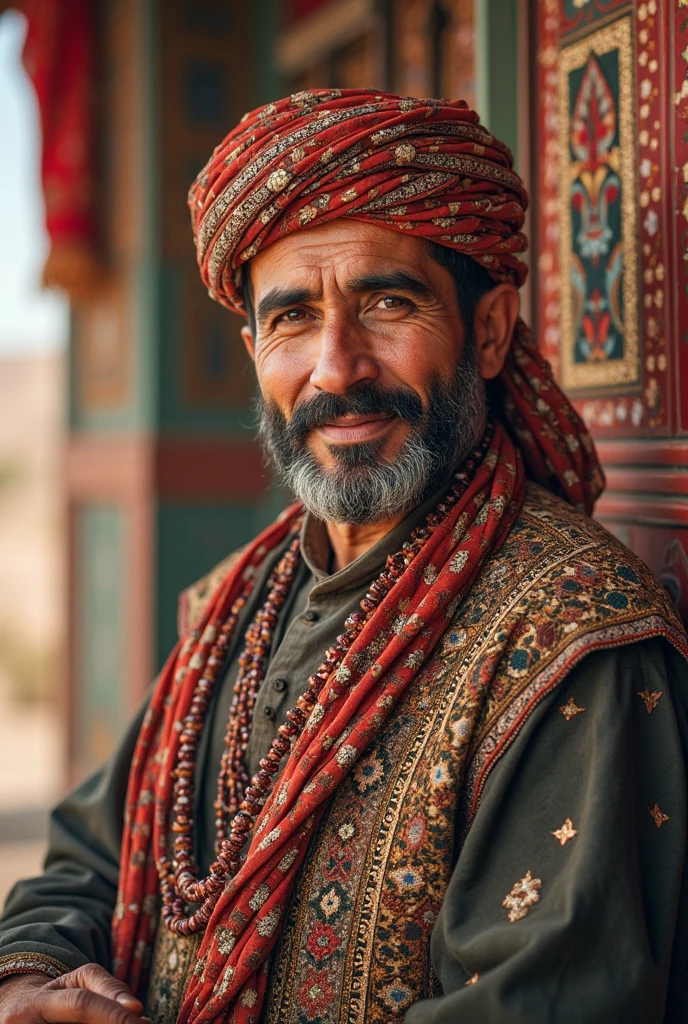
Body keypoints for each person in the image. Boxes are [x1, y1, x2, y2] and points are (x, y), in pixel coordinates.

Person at [0, 89, 687, 1024]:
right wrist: (30, 981)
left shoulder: (574, 636)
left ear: (487, 332)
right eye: (291, 321)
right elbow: (92, 851)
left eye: (388, 303)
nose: (337, 367)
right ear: (252, 350)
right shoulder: (231, 602)